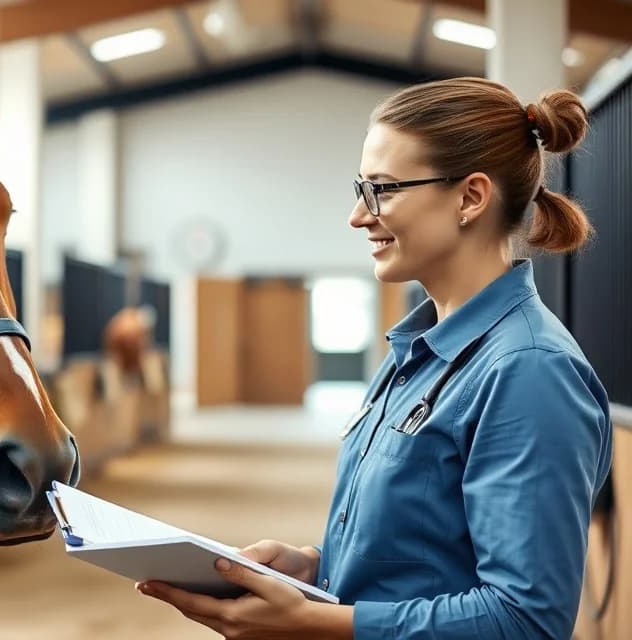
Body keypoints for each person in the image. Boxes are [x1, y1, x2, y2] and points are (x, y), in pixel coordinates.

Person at [138, 77, 613, 639]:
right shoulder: (416, 352)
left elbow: (526, 621)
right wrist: (315, 567)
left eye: (382, 190)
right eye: (362, 189)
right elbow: (423, 549)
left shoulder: (530, 371)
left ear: (470, 197)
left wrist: (314, 623)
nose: (358, 216)